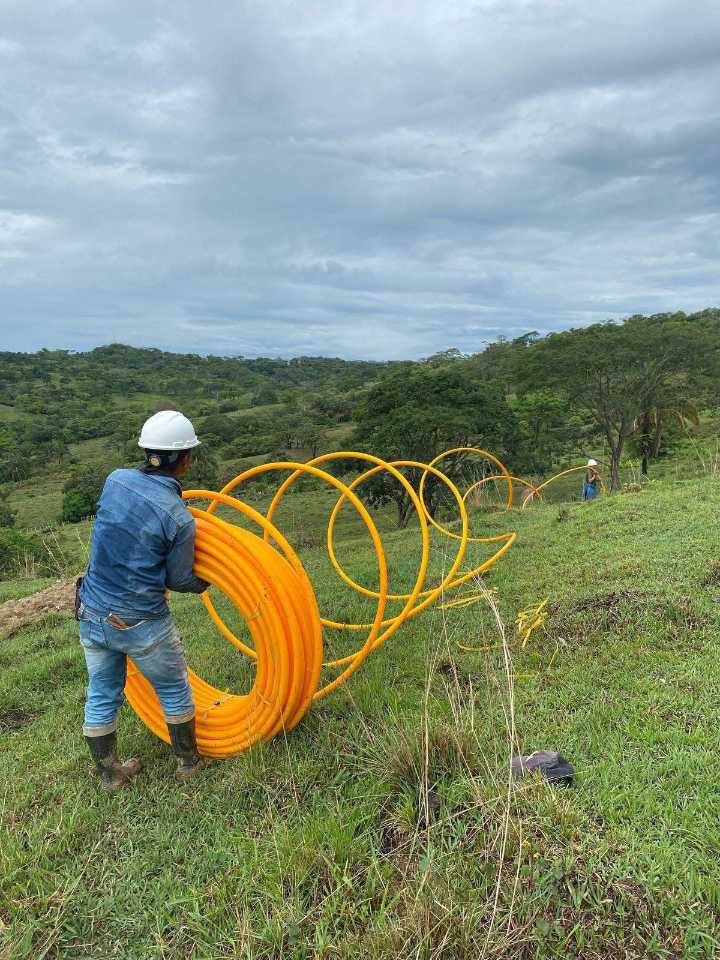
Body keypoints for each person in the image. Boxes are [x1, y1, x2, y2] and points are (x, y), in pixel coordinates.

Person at [77, 410, 211, 792]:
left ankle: (109, 774)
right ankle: (187, 764)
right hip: (142, 622)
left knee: (102, 691)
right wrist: (207, 581)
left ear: (146, 450)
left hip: (91, 612)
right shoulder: (180, 518)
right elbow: (179, 579)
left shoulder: (115, 480)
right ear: (185, 459)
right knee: (172, 688)